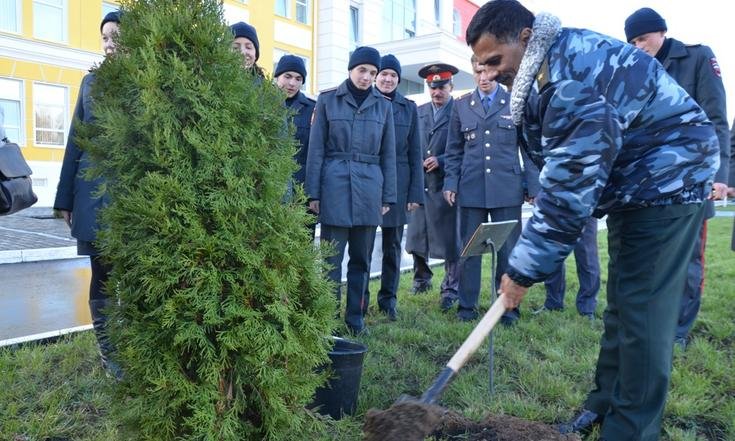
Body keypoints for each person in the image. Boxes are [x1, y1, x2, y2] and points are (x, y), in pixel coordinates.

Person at [466, 1, 719, 439]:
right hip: (635, 186)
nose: (489, 72)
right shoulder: (549, 62)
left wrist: (523, 271)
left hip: (668, 183)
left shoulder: (570, 79)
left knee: (644, 313)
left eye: (494, 60)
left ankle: (630, 429)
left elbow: (568, 185)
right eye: (480, 65)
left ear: (525, 38)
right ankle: (603, 405)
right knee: (623, 305)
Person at [624, 8, 730, 349]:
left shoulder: (697, 59)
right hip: (653, 182)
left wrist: (719, 176)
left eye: (643, 38)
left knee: (689, 259)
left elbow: (716, 119)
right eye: (632, 42)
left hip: (694, 178)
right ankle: (656, 321)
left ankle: (680, 330)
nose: (638, 46)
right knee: (655, 258)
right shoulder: (636, 69)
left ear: (662, 32)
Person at [305, 46, 397, 335]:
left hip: (370, 189)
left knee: (361, 261)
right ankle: (329, 320)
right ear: (350, 69)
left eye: (372, 72)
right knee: (330, 262)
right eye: (362, 70)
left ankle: (355, 319)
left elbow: (389, 154)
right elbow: (316, 150)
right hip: (335, 187)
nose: (367, 77)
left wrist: (388, 195)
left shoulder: (383, 106)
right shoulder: (328, 100)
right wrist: (313, 193)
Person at [54, 11, 124, 379]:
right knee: (103, 273)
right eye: (106, 38)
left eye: (117, 37)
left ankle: (134, 345)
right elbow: (75, 141)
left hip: (134, 196)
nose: (110, 44)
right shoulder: (90, 83)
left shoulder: (147, 83)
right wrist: (64, 198)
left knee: (136, 276)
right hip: (94, 192)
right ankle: (110, 352)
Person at [443, 55, 539, 323]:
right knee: (470, 250)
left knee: (508, 250)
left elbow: (528, 147)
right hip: (471, 188)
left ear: (496, 73)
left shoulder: (513, 101)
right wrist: (450, 182)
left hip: (507, 188)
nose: (483, 78)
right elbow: (454, 150)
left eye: (487, 72)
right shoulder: (461, 105)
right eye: (478, 72)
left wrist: (533, 185)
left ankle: (507, 308)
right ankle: (467, 307)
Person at [363, 54, 423, 320]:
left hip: (399, 184)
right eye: (384, 74)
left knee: (392, 247)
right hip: (368, 181)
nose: (388, 79)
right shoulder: (365, 100)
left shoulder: (408, 108)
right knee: (363, 246)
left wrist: (415, 193)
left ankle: (388, 301)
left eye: (393, 76)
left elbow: (415, 152)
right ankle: (360, 300)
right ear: (376, 76)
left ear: (398, 79)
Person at [405, 63, 461, 305]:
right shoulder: (419, 112)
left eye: (441, 87)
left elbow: (466, 148)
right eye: (432, 87)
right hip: (421, 184)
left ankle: (451, 288)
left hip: (446, 184)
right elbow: (410, 143)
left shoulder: (460, 111)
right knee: (417, 236)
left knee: (450, 239)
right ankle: (421, 279)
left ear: (451, 87)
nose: (436, 92)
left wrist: (442, 160)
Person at [273, 55, 317, 236]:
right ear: (277, 76)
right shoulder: (262, 103)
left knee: (302, 243)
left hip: (301, 192)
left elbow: (317, 152)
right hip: (270, 188)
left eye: (298, 79)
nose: (292, 83)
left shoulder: (313, 109)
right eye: (288, 76)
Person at [537, 217, 600, 321]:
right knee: (553, 253)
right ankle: (553, 303)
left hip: (586, 209)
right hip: (555, 209)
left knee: (587, 255)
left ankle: (587, 308)